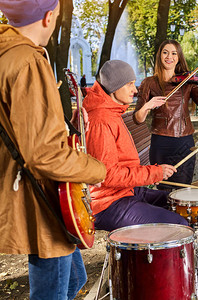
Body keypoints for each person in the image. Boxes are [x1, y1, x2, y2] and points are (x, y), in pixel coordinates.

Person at [0, 1, 107, 299]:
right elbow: (44, 155)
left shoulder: (8, 53)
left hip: (35, 189)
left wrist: (63, 124)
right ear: (49, 17)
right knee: (52, 290)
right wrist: (99, 170)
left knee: (73, 280)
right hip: (42, 196)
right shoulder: (27, 61)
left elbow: (23, 124)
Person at [83, 60, 188, 232]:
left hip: (125, 191)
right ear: (115, 87)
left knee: (179, 202)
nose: (135, 89)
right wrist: (155, 172)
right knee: (179, 226)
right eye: (129, 84)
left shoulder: (111, 111)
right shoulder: (101, 121)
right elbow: (107, 175)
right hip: (108, 203)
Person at [134, 39, 198, 189]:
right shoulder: (149, 83)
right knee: (164, 189)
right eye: (165, 52)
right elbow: (138, 118)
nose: (169, 57)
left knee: (183, 190)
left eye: (173, 53)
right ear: (159, 56)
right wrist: (148, 105)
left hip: (184, 142)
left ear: (178, 58)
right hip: (161, 143)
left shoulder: (188, 81)